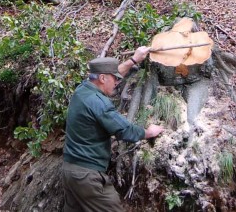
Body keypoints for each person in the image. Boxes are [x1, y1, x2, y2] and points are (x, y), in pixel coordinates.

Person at [63, 47, 165, 212]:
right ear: (102, 78)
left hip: (70, 171)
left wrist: (134, 59)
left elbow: (111, 72)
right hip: (87, 176)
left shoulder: (82, 90)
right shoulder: (100, 103)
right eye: (114, 79)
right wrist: (148, 132)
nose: (118, 82)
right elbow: (124, 130)